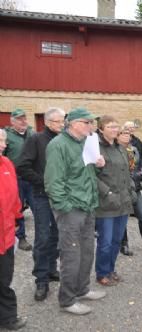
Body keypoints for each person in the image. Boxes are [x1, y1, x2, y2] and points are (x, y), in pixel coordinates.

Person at [44, 108, 106, 315]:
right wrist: (65, 207)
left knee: (87, 250)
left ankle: (82, 288)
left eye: (91, 122)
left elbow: (85, 174)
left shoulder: (86, 143)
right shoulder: (58, 145)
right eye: (86, 122)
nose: (91, 126)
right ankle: (67, 300)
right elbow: (53, 182)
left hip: (88, 205)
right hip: (71, 209)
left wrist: (98, 164)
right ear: (73, 124)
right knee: (71, 254)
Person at [17, 107, 65, 301]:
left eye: (63, 121)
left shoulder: (64, 140)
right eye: (58, 121)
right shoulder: (35, 140)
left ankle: (52, 269)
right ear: (47, 122)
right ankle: (41, 280)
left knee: (56, 235)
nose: (62, 124)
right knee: (43, 237)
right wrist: (43, 182)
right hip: (42, 196)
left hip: (60, 196)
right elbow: (22, 166)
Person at [94, 116, 135, 287]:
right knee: (105, 241)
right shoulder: (95, 148)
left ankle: (110, 269)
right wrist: (108, 193)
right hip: (106, 203)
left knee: (117, 240)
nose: (114, 129)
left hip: (123, 202)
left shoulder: (120, 148)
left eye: (116, 126)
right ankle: (102, 273)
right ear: (101, 129)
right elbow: (92, 176)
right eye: (110, 126)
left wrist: (131, 191)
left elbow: (127, 173)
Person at [0, 129, 27, 330]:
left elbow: (14, 197)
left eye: (4, 141)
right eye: (0, 141)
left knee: (4, 278)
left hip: (6, 233)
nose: (3, 145)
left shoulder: (7, 164)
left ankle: (7, 317)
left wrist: (17, 218)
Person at [117, 128, 142, 256]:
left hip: (135, 188)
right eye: (123, 134)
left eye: (128, 134)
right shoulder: (115, 150)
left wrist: (141, 175)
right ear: (117, 136)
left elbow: (139, 167)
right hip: (121, 190)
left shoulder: (133, 150)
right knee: (123, 218)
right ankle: (124, 244)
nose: (126, 136)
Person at [3, 108, 35, 251]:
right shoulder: (7, 136)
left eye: (24, 118)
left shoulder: (32, 133)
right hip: (15, 179)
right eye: (19, 119)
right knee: (18, 208)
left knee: (38, 207)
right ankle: (21, 237)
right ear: (12, 121)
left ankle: (44, 236)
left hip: (32, 178)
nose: (23, 121)